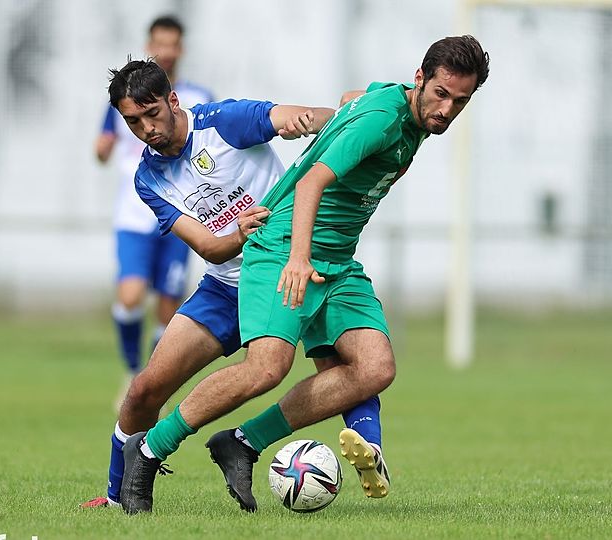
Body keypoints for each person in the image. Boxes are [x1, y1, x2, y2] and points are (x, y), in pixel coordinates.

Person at [118, 35, 490, 513]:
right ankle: (150, 449)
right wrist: (297, 258)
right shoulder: (383, 118)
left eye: (460, 101)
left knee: (375, 369)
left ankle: (242, 443)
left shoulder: (402, 108)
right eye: (441, 94)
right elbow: (313, 180)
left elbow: (352, 99)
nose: (447, 109)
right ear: (420, 79)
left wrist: (336, 115)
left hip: (337, 259)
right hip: (284, 248)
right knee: (266, 368)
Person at [80, 59, 387, 511]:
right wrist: (239, 233)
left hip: (288, 270)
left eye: (152, 114)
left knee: (349, 364)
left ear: (173, 100)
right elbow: (209, 246)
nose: (146, 129)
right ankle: (115, 495)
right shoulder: (148, 178)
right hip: (225, 288)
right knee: (146, 389)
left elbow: (301, 118)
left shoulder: (224, 121)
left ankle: (369, 445)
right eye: (133, 122)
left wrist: (327, 118)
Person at [94, 16, 213, 395]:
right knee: (130, 297)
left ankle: (150, 382)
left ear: (181, 49)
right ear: (149, 46)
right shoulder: (123, 99)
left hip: (184, 212)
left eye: (172, 44)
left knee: (168, 309)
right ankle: (132, 371)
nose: (166, 51)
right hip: (135, 213)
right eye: (159, 43)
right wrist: (102, 149)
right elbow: (102, 146)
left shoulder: (198, 96)